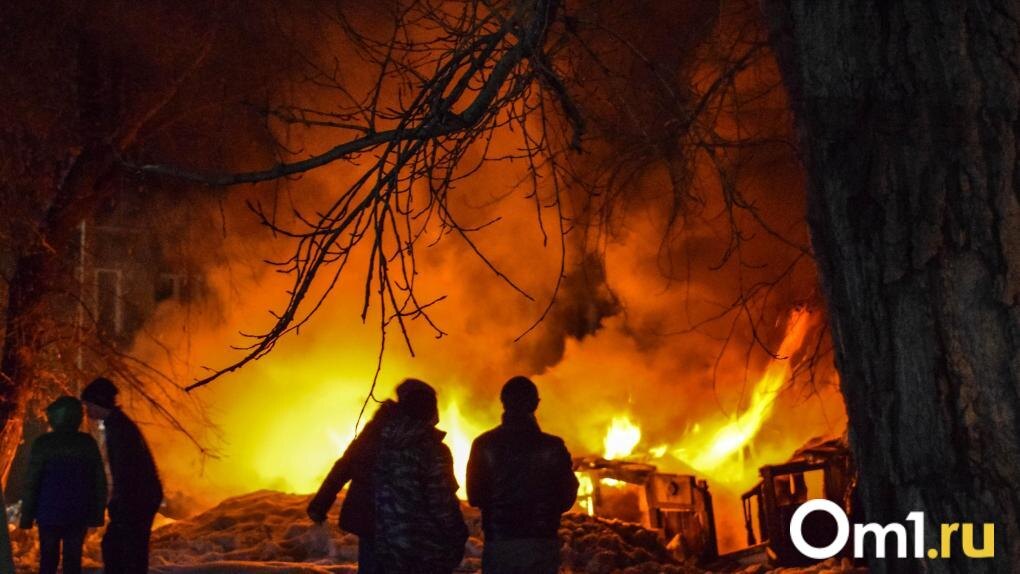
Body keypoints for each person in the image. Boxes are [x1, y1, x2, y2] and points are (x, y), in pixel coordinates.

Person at [467, 376, 578, 574]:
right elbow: (567, 495)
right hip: (541, 543)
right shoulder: (552, 447)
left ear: (503, 402)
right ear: (536, 404)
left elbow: (475, 496)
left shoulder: (483, 444)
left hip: (500, 543)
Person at [373, 379, 467, 573]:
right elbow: (442, 504)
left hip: (390, 549)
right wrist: (458, 536)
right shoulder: (434, 450)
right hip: (427, 552)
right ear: (431, 411)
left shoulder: (385, 444)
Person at [307, 396, 399, 574]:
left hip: (370, 520)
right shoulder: (415, 436)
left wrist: (320, 504)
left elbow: (343, 467)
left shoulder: (373, 432)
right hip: (391, 523)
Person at [80, 377, 163, 574]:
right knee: (125, 549)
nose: (87, 410)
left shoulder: (118, 429)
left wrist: (120, 502)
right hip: (141, 497)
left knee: (121, 550)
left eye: (88, 405)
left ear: (99, 402)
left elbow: (127, 469)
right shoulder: (117, 424)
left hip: (137, 499)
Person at [20, 396, 107, 574]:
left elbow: (32, 482)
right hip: (78, 513)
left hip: (48, 513)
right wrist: (97, 514)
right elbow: (98, 480)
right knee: (73, 561)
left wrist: (27, 516)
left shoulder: (43, 443)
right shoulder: (86, 443)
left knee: (48, 560)